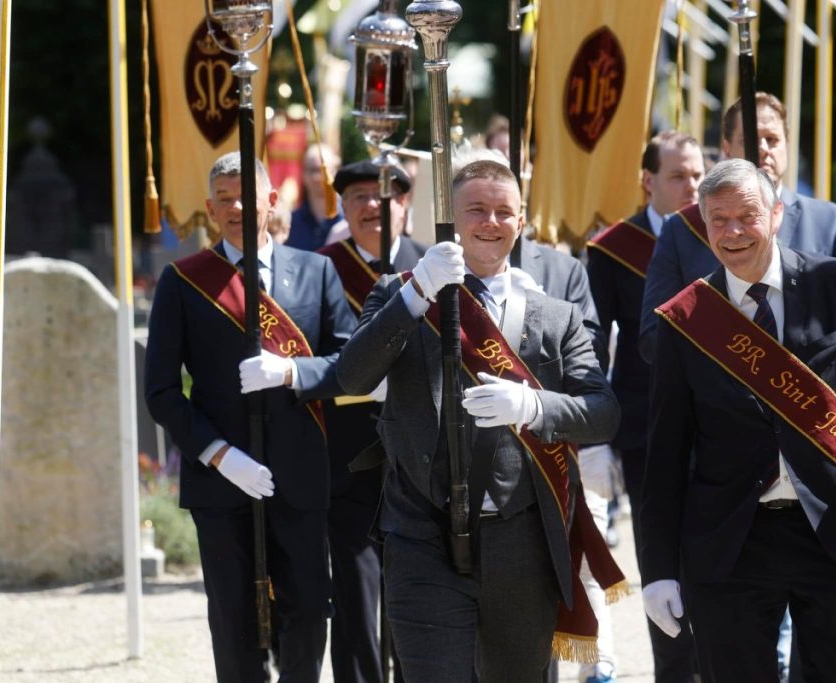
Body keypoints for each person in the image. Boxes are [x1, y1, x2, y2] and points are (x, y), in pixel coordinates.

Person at [336, 159, 623, 682]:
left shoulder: (555, 316)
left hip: (521, 539)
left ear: (521, 221)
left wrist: (535, 406)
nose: (490, 222)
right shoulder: (401, 291)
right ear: (450, 218)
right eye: (476, 209)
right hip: (422, 530)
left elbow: (602, 413)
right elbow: (352, 377)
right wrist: (414, 293)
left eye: (504, 211)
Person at [638, 159, 836, 683]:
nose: (734, 231)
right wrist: (658, 571)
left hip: (831, 531)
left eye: (748, 216)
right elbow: (665, 453)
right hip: (729, 542)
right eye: (719, 220)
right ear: (702, 224)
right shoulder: (687, 319)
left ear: (778, 214)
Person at [144, 152, 356, 683]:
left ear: (271, 200)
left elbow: (349, 363)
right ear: (212, 210)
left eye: (246, 194)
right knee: (235, 623)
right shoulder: (184, 280)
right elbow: (162, 391)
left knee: (308, 611)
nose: (236, 206)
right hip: (222, 478)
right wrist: (217, 454)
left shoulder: (317, 271)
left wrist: (291, 372)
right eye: (223, 199)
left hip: (300, 474)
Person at [585, 131, 704, 683]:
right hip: (646, 426)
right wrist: (597, 434)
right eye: (678, 175)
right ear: (648, 180)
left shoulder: (723, 234)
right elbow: (591, 345)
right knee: (664, 566)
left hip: (716, 424)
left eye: (698, 174)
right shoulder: (612, 248)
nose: (691, 187)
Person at [638, 92, 836, 361]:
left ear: (787, 144)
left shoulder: (830, 221)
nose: (762, 148)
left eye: (772, 139)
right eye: (751, 139)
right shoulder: (682, 228)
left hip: (813, 394)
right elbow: (655, 336)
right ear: (726, 148)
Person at [317, 159, 426, 683]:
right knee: (357, 597)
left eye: (385, 196)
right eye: (358, 196)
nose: (372, 207)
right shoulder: (320, 269)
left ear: (405, 205)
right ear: (342, 207)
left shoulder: (433, 266)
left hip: (423, 457)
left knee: (419, 595)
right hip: (346, 456)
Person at [286, 143, 346, 251]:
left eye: (323, 170)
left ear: (336, 171)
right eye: (312, 170)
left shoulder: (350, 219)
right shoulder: (291, 223)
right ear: (303, 173)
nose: (317, 177)